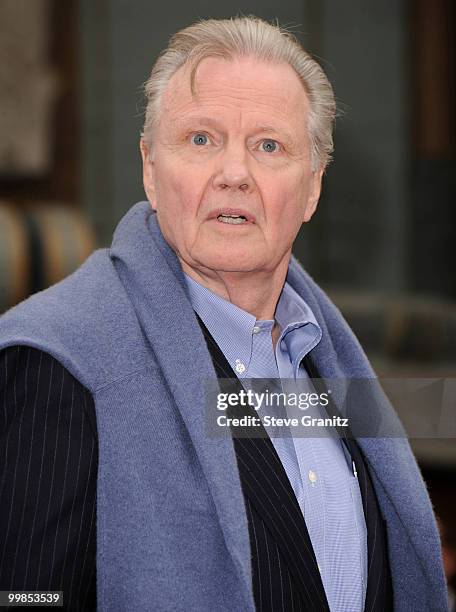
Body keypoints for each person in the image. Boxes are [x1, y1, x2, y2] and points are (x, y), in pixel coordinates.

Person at [0, 15, 448, 612]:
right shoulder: (64, 361)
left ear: (312, 186)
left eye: (269, 145)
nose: (234, 174)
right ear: (149, 169)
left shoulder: (327, 355)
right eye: (201, 139)